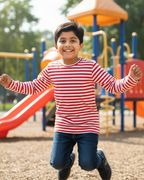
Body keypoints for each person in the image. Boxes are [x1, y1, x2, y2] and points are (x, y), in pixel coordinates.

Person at [0, 21, 143, 180]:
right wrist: (11, 84)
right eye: (63, 40)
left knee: (88, 164)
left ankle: (101, 159)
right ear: (56, 45)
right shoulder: (52, 69)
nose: (67, 44)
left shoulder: (90, 67)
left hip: (87, 124)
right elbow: (34, 87)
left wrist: (131, 78)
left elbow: (113, 86)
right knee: (57, 163)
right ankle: (68, 162)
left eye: (73, 40)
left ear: (81, 45)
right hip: (63, 124)